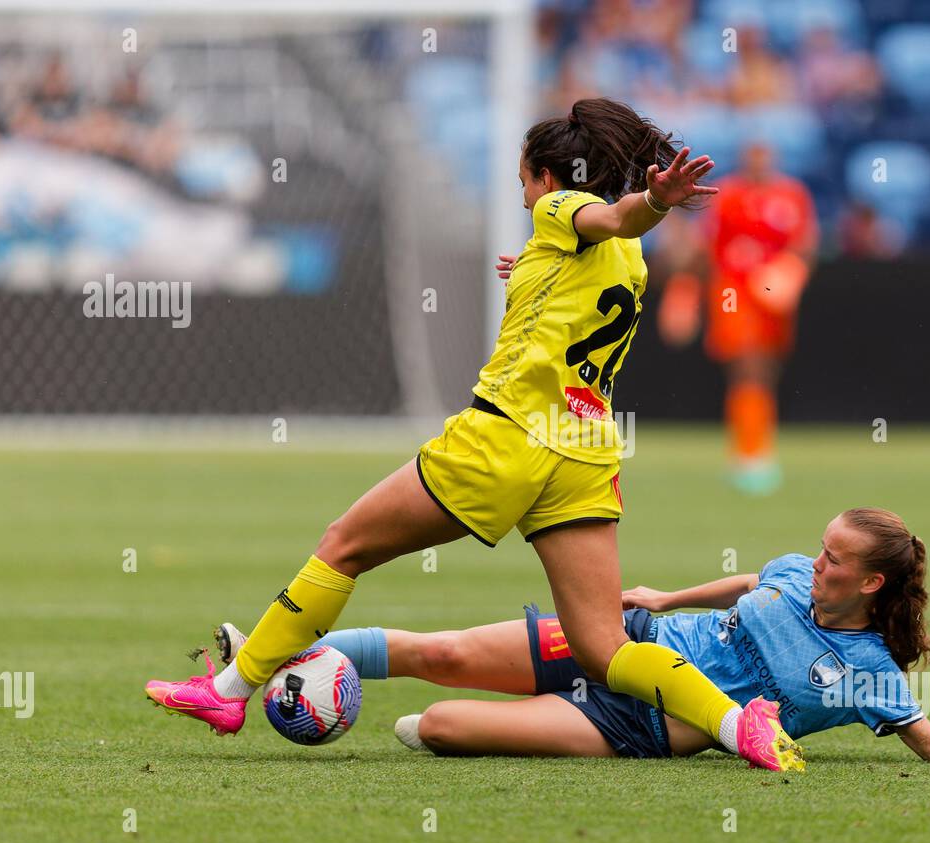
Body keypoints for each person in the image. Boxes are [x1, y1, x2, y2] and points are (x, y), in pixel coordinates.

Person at [146, 97, 804, 772]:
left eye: (525, 181)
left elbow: (612, 213)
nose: (525, 200)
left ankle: (227, 692)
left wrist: (654, 201)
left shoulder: (566, 211)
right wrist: (535, 274)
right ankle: (738, 723)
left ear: (553, 176)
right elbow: (598, 261)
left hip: (506, 439)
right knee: (604, 650)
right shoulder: (628, 260)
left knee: (343, 546)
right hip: (585, 455)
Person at [220, 508, 930, 767]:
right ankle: (264, 664)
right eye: (820, 547)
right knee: (436, 652)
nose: (815, 561)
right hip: (619, 637)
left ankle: (308, 678)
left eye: (834, 558)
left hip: (637, 724)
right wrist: (668, 592)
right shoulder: (787, 572)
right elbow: (744, 583)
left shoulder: (868, 672)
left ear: (870, 583)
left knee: (438, 726)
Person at [657, 141, 819, 494]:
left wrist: (793, 271)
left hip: (773, 294)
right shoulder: (728, 195)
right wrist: (684, 292)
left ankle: (756, 447)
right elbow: (704, 249)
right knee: (747, 364)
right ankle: (750, 456)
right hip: (734, 292)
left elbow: (805, 244)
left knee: (767, 368)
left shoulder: (792, 195)